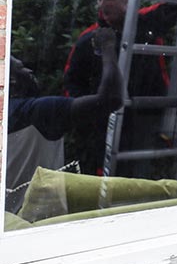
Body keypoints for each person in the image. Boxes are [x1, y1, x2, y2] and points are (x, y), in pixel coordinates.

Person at [63, 0, 177, 176]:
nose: (102, 4)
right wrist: (88, 112)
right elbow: (71, 83)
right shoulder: (89, 39)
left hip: (146, 119)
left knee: (141, 178)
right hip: (106, 125)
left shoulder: (144, 22)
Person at [6, 28, 123, 212]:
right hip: (35, 223)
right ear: (11, 81)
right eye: (22, 68)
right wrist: (107, 47)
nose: (30, 71)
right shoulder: (37, 113)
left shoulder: (12, 113)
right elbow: (111, 99)